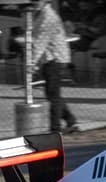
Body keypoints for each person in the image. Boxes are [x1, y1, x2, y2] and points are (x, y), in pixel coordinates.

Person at [32, 0, 79, 134]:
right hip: (50, 58)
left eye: (37, 1)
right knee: (52, 94)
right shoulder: (39, 15)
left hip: (56, 59)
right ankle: (71, 122)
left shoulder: (48, 18)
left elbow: (41, 42)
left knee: (53, 95)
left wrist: (32, 62)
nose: (34, 3)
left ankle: (55, 129)